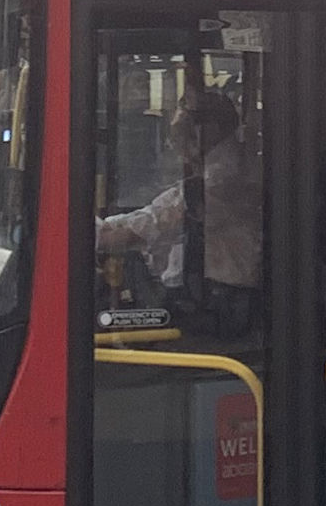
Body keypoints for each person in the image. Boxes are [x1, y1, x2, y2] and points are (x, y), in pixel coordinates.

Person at [96, 94, 266, 335]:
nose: (173, 143)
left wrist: (101, 233)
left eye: (180, 132)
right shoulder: (219, 167)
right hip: (219, 295)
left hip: (226, 303)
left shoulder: (221, 177)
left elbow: (155, 222)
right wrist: (110, 225)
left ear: (209, 130)